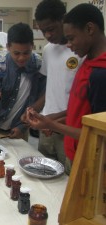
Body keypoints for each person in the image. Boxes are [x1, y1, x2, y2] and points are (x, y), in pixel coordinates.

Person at [26, 3, 106, 174]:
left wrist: (53, 124)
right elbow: (75, 107)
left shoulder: (96, 69)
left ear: (89, 29)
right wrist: (46, 117)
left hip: (84, 150)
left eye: (72, 38)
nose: (69, 45)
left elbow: (97, 132)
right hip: (67, 137)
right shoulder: (88, 61)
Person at [33, 0, 83, 169]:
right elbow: (50, 87)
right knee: (43, 176)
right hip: (46, 127)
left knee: (68, 180)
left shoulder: (80, 50)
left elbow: (83, 100)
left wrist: (54, 122)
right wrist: (34, 109)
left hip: (69, 128)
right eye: (42, 30)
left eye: (51, 29)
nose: (47, 35)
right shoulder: (48, 50)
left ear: (63, 20)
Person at [0, 23, 46, 140]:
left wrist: (22, 127)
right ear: (8, 47)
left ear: (32, 46)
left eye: (26, 53)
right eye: (16, 53)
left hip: (19, 131)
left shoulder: (39, 67)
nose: (21, 58)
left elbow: (39, 100)